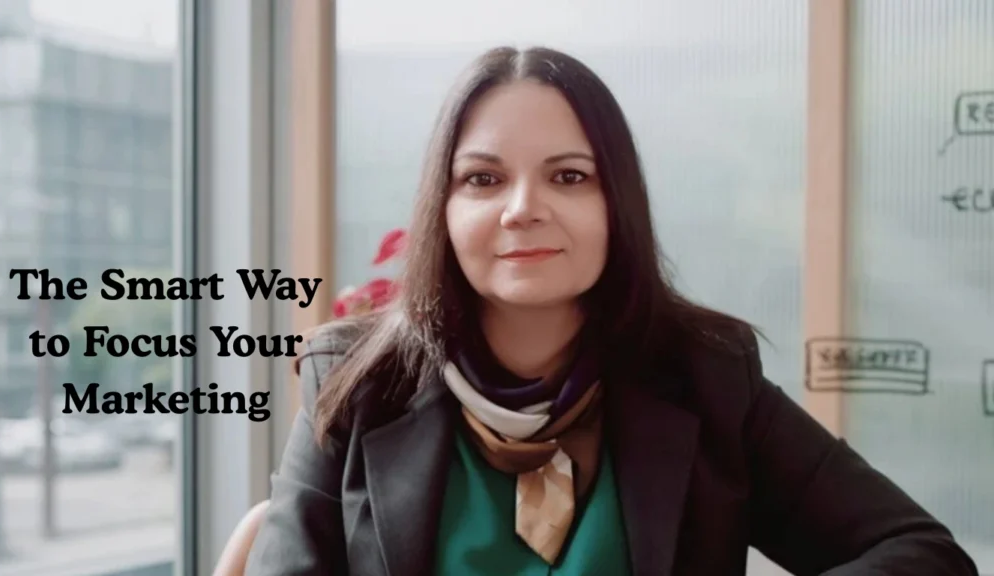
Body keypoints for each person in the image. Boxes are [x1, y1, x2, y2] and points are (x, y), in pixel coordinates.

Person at [246, 46, 978, 576]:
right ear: (444, 208)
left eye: (569, 176)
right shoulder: (353, 379)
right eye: (483, 178)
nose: (523, 209)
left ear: (615, 205)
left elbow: (923, 554)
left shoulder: (708, 378)